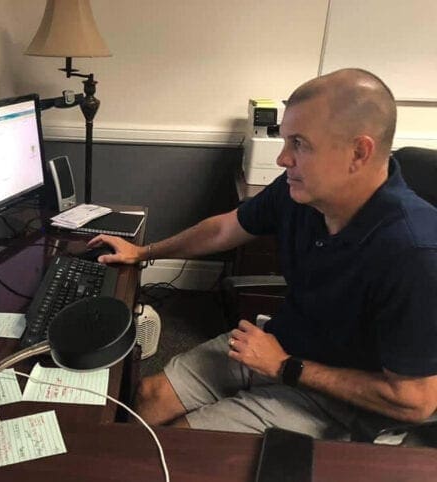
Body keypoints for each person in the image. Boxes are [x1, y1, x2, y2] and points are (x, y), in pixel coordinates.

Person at [87, 68, 437, 440]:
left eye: (299, 144)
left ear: (359, 152)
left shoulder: (416, 253)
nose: (283, 159)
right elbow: (225, 228)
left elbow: (416, 401)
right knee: (148, 396)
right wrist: (145, 251)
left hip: (343, 402)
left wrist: (286, 368)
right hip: (276, 345)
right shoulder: (299, 192)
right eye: (285, 141)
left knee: (182, 446)